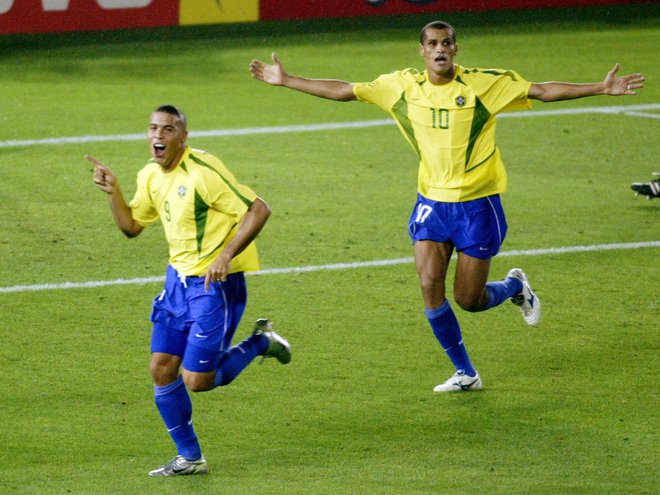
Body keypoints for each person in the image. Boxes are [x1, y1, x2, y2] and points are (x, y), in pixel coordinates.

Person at [249, 21, 644, 393]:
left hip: (477, 206)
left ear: (456, 49)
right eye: (432, 44)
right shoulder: (400, 86)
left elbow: (541, 90)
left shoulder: (484, 85)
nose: (440, 49)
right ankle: (465, 372)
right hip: (431, 205)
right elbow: (345, 90)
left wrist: (599, 88)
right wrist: (286, 80)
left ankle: (513, 287)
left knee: (469, 300)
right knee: (427, 284)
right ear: (422, 50)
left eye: (447, 43)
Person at [88, 105, 292, 476]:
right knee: (161, 369)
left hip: (215, 287)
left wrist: (226, 255)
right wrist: (113, 191)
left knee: (197, 381)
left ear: (183, 137)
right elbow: (132, 226)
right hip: (177, 284)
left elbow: (259, 209)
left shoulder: (204, 172)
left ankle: (261, 342)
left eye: (168, 129)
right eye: (153, 128)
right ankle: (190, 457)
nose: (158, 136)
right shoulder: (150, 175)